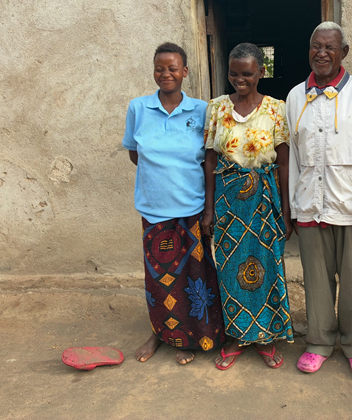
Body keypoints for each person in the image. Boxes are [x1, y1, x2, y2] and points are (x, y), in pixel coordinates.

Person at [286, 22, 352, 380]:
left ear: (343, 52)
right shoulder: (295, 96)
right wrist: (294, 208)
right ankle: (318, 343)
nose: (322, 53)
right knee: (316, 280)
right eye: (316, 46)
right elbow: (293, 158)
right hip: (310, 205)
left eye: (330, 47)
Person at [123, 42, 226, 365]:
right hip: (154, 209)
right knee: (159, 281)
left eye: (172, 68)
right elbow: (135, 154)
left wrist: (207, 208)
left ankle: (190, 337)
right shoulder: (138, 109)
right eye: (160, 68)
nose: (165, 74)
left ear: (185, 72)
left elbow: (209, 159)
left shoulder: (201, 110)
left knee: (194, 279)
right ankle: (160, 334)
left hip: (191, 208)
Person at [201, 42, 294, 370]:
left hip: (264, 201)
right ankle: (237, 337)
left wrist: (286, 211)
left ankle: (266, 337)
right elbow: (210, 160)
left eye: (248, 74)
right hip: (228, 202)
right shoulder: (216, 108)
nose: (240, 80)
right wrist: (209, 209)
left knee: (267, 267)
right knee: (229, 270)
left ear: (261, 72)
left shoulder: (276, 109)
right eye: (234, 74)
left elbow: (284, 163)